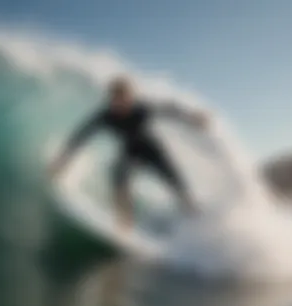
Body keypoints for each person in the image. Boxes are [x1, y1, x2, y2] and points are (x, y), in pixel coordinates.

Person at [49, 76, 210, 233]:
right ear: (111, 99)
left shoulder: (141, 109)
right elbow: (81, 135)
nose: (121, 104)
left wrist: (192, 117)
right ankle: (125, 222)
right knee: (118, 176)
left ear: (130, 97)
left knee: (173, 179)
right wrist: (62, 161)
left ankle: (194, 212)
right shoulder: (106, 116)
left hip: (151, 148)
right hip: (130, 151)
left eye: (124, 98)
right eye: (116, 99)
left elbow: (168, 110)